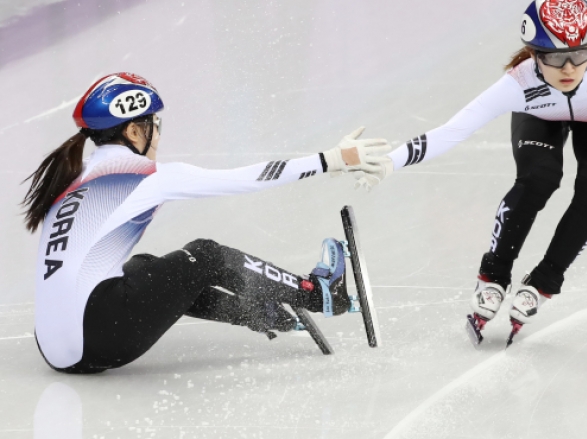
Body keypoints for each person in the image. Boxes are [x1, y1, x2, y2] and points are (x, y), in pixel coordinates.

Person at [351, 0, 587, 335]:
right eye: (554, 57)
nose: (569, 68)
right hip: (543, 115)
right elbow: (451, 132)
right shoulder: (518, 84)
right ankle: (494, 275)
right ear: (534, 54)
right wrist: (391, 162)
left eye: (579, 54)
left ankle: (544, 282)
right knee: (539, 177)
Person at [23, 72, 391, 373]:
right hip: (101, 336)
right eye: (155, 124)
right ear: (134, 131)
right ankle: (320, 294)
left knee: (146, 266)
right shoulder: (146, 175)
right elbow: (251, 177)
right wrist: (333, 159)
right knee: (205, 256)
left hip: (57, 350)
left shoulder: (73, 181)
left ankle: (251, 311)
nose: (159, 134)